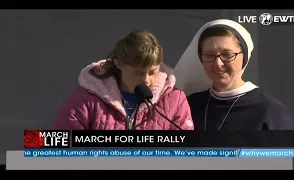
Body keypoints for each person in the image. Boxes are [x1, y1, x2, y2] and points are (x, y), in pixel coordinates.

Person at [54, 30, 194, 130]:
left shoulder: (175, 100)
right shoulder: (88, 98)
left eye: (153, 72)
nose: (146, 80)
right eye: (137, 73)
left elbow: (186, 152)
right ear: (118, 63)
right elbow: (63, 146)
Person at [174, 19, 294, 130]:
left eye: (227, 54)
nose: (218, 64)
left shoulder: (271, 112)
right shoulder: (189, 106)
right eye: (209, 55)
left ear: (244, 57)